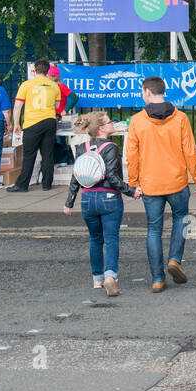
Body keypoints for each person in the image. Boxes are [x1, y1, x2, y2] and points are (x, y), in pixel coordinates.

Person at [126, 76, 196, 292]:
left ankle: (158, 279)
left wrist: (134, 183)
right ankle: (175, 259)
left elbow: (131, 156)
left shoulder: (137, 121)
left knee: (153, 230)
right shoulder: (180, 118)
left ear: (148, 93)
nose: (143, 96)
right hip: (177, 181)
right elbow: (190, 150)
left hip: (150, 183)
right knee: (182, 219)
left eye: (143, 93)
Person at [63, 110, 135, 296]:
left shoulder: (81, 148)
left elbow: (76, 176)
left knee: (95, 239)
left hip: (87, 199)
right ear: (102, 128)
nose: (113, 124)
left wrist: (69, 202)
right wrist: (131, 191)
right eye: (110, 122)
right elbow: (112, 176)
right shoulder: (111, 148)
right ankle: (111, 276)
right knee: (111, 239)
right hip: (109, 198)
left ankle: (97, 279)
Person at [8, 59, 61, 192]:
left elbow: (17, 107)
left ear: (34, 70)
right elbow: (57, 106)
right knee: (48, 154)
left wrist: (16, 124)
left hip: (32, 123)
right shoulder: (54, 86)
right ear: (47, 70)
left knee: (29, 154)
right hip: (49, 121)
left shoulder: (26, 85)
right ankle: (47, 183)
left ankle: (23, 184)